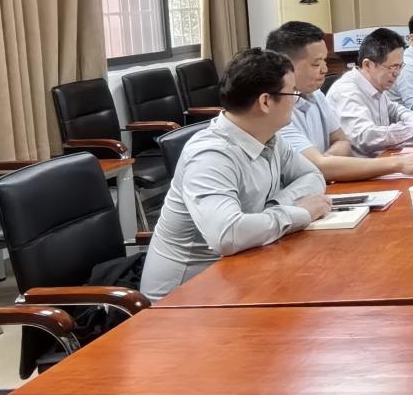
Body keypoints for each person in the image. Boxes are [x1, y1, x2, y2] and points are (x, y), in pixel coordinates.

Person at [139, 48, 331, 303]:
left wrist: (276, 207)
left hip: (242, 273)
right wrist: (300, 213)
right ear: (265, 102)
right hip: (185, 300)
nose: (297, 100)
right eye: (293, 93)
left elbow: (313, 176)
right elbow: (227, 235)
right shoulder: (210, 155)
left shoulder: (269, 137)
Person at [266, 21, 413, 181]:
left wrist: (326, 161)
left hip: (335, 179)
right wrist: (399, 163)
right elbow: (321, 165)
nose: (325, 69)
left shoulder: (316, 94)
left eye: (325, 61)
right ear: (286, 65)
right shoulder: (277, 109)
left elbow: (342, 142)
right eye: (316, 64)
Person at [327, 27, 413, 156]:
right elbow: (365, 136)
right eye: (392, 67)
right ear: (367, 65)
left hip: (382, 157)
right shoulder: (347, 91)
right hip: (363, 165)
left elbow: (395, 110)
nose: (397, 73)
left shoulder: (375, 85)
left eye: (400, 66)